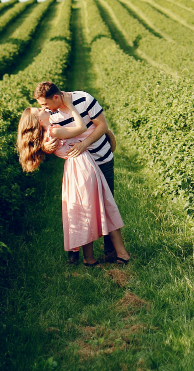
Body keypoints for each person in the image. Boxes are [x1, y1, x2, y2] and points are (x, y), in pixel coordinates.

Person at [15, 95, 131, 266]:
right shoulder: (53, 131)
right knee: (100, 208)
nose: (43, 109)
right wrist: (70, 106)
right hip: (83, 169)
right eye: (39, 110)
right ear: (38, 121)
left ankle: (93, 256)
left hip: (78, 169)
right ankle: (106, 255)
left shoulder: (48, 132)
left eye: (42, 106)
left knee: (86, 212)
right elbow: (80, 127)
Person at [34, 81, 121, 263]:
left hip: (100, 157)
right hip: (81, 168)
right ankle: (78, 251)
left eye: (45, 104)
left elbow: (102, 126)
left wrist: (83, 144)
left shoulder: (84, 99)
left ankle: (111, 252)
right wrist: (46, 146)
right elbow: (49, 134)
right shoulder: (50, 113)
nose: (43, 108)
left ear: (56, 97)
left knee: (107, 203)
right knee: (84, 207)